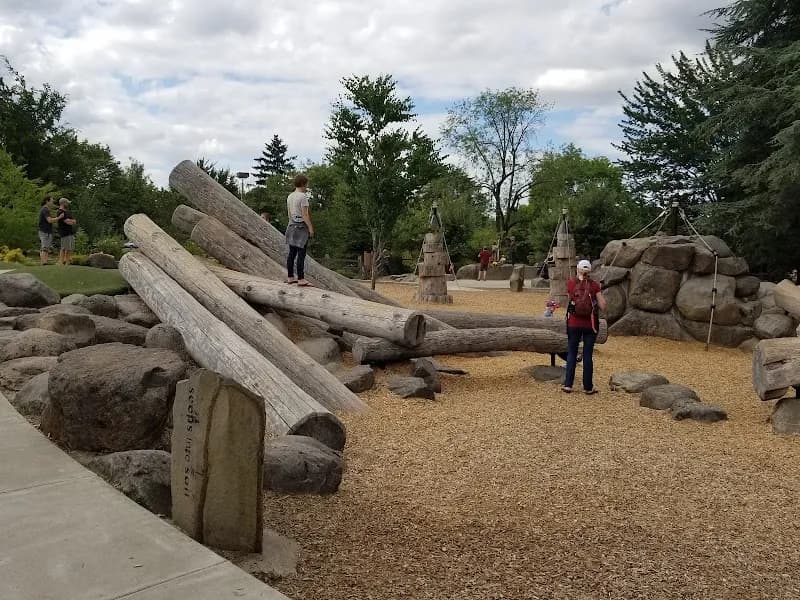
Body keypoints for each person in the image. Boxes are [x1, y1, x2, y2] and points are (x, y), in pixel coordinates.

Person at [563, 259, 606, 394]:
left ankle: (568, 385)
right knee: (587, 355)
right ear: (590, 271)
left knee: (572, 353)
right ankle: (588, 387)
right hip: (590, 324)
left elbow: (570, 301)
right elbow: (603, 306)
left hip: (573, 324)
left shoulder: (571, 283)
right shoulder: (594, 285)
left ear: (578, 270)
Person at [285, 174, 313, 286]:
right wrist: (310, 228)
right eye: (307, 184)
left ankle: (290, 277)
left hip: (291, 225)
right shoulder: (303, 197)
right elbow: (305, 215)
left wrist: (290, 224)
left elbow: (289, 214)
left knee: (291, 253)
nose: (307, 186)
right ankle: (301, 278)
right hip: (301, 227)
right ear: (303, 183)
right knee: (301, 254)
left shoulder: (290, 196)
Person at [38, 197, 59, 265]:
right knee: (44, 247)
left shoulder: (47, 210)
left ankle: (45, 262)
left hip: (48, 231)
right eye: (51, 201)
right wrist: (59, 218)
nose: (52, 203)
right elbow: (49, 220)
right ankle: (43, 262)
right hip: (44, 231)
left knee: (46, 248)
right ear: (47, 201)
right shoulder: (44, 210)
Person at [56, 197, 77, 266]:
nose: (68, 204)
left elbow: (74, 221)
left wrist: (71, 221)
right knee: (64, 247)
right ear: (63, 203)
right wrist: (71, 221)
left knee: (69, 248)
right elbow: (68, 222)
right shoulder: (60, 212)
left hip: (70, 232)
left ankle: (67, 262)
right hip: (64, 232)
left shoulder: (67, 212)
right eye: (67, 203)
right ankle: (61, 262)